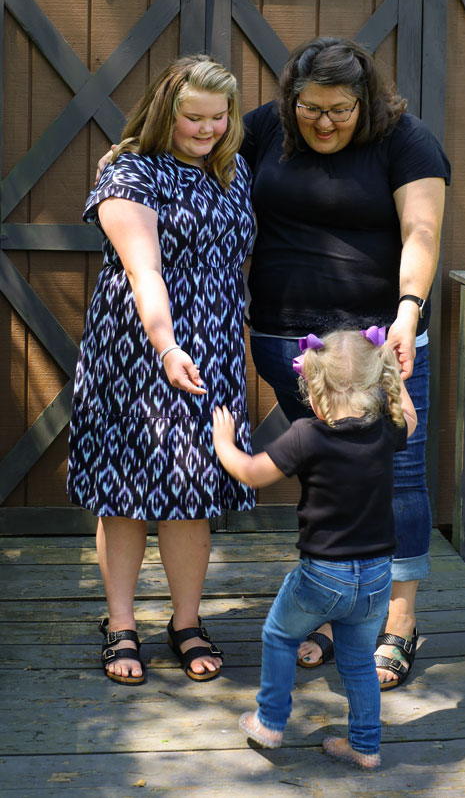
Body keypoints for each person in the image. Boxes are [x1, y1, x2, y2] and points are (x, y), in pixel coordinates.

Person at [239, 36, 451, 688]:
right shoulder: (266, 127)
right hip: (287, 345)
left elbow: (421, 230)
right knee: (329, 480)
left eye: (339, 110)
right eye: (311, 108)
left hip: (375, 348)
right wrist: (130, 155)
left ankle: (398, 621)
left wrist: (409, 310)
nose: (324, 122)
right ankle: (336, 608)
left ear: (366, 101)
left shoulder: (404, 139)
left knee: (398, 480)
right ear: (291, 98)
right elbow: (190, 147)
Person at [67, 54, 256, 685]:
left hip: (215, 353)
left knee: (191, 491)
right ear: (163, 112)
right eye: (191, 117)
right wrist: (167, 345)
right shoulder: (129, 173)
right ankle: (121, 623)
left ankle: (185, 621)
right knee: (123, 492)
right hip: (139, 352)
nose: (205, 129)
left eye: (217, 116)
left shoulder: (234, 170)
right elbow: (145, 269)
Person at [213, 328, 417, 768]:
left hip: (323, 574)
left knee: (280, 634)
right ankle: (365, 746)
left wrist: (223, 444)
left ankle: (269, 721)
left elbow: (249, 472)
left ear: (313, 387)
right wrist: (396, 379)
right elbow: (411, 421)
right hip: (378, 575)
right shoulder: (387, 429)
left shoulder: (307, 434)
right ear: (376, 382)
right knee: (359, 661)